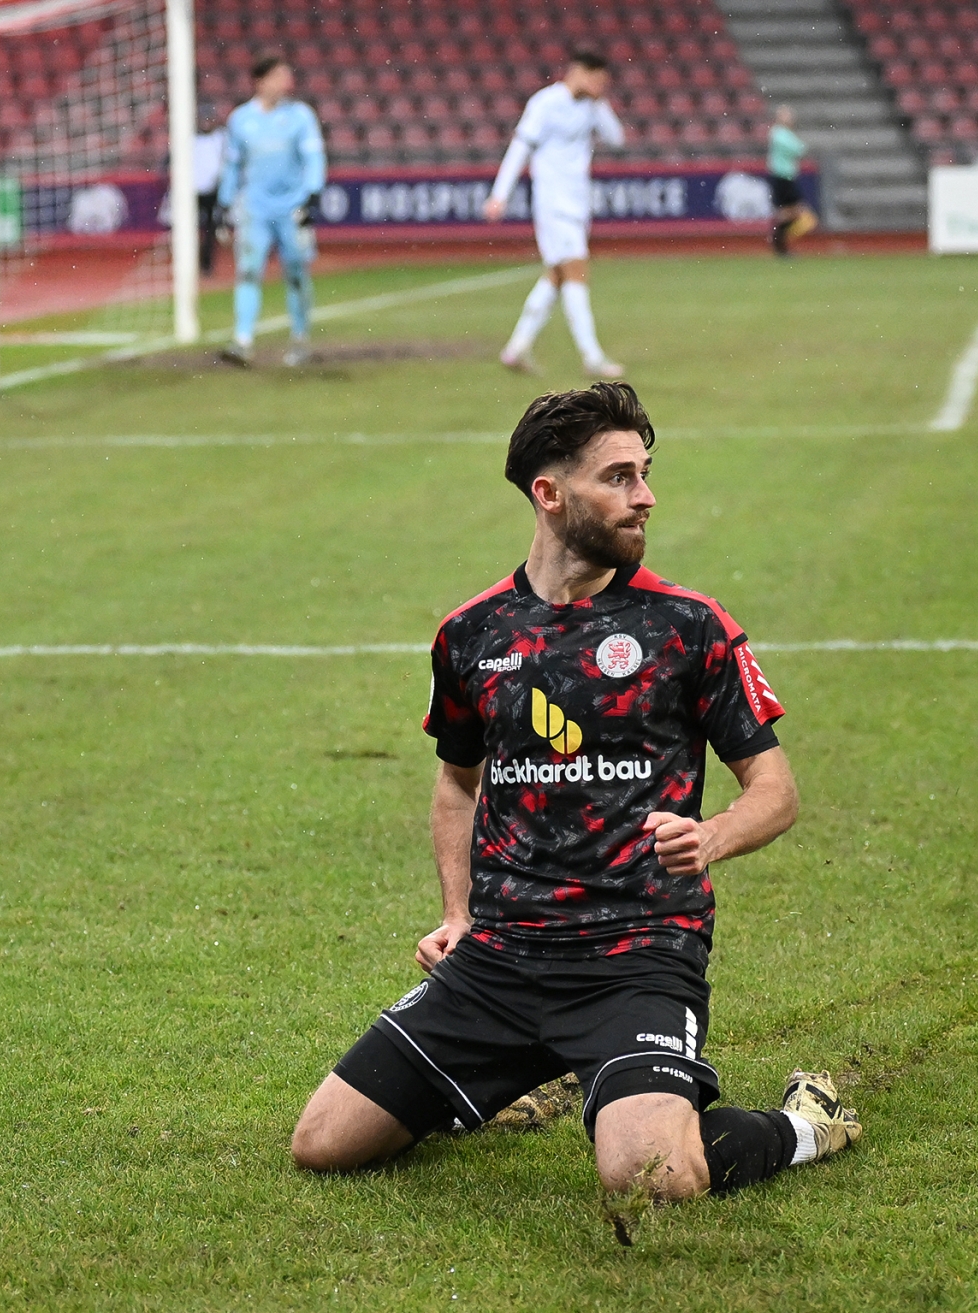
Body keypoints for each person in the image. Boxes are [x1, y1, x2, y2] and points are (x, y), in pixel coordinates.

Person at [289, 382, 863, 1207]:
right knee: (324, 1143)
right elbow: (456, 784)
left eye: (645, 473)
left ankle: (805, 1122)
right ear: (550, 494)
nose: (645, 496)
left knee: (650, 1177)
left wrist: (711, 836)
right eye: (619, 477)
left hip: (636, 955)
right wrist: (458, 914)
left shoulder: (688, 625)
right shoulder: (472, 633)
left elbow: (775, 790)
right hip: (501, 957)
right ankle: (539, 1070)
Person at [483, 52, 626, 379]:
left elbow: (617, 139)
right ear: (578, 73)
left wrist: (600, 103)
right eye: (597, 80)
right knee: (576, 270)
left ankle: (517, 348)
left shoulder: (591, 107)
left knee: (557, 276)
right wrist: (499, 195)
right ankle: (592, 356)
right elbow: (520, 148)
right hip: (552, 202)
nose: (600, 87)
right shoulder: (545, 103)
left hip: (578, 201)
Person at [217, 52, 326, 368]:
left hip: (292, 208)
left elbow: (313, 157)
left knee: (296, 273)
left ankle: (300, 339)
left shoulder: (300, 116)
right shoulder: (240, 119)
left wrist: (312, 195)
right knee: (249, 271)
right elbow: (232, 165)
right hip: (256, 209)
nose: (286, 83)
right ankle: (242, 341)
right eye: (279, 76)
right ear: (260, 82)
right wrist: (224, 202)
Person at [766, 107, 816, 257]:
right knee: (795, 211)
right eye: (787, 116)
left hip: (786, 177)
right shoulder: (779, 133)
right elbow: (799, 149)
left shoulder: (782, 134)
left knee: (789, 211)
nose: (791, 119)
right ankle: (779, 241)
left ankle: (780, 243)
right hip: (782, 176)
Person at [192, 103, 228, 277]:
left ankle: (206, 264)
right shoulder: (189, 139)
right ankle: (192, 262)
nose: (206, 122)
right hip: (193, 192)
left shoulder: (221, 138)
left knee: (210, 230)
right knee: (193, 229)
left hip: (214, 191)